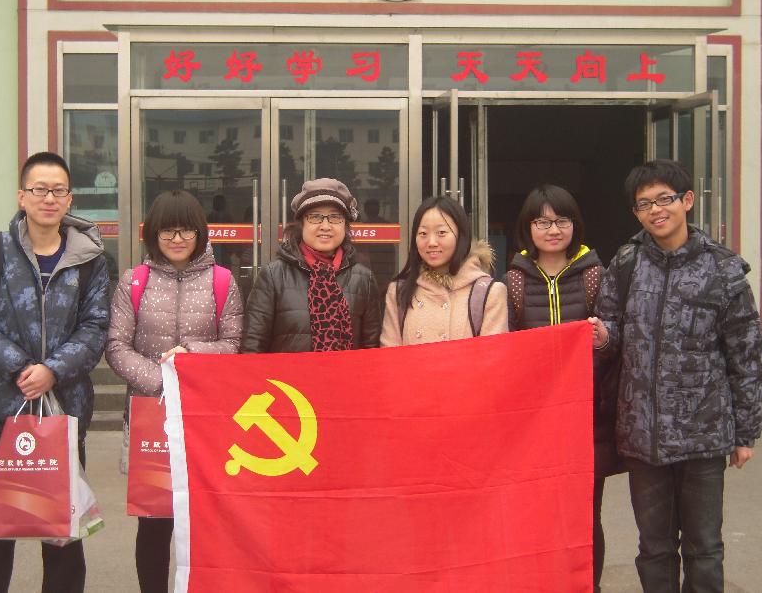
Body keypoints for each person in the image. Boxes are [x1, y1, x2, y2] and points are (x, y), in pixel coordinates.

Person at [590, 159, 762, 592]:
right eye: (644, 203)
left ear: (687, 201)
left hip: (703, 435)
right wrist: (602, 336)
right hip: (642, 435)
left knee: (705, 548)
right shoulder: (627, 263)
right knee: (654, 548)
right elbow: (612, 330)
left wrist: (745, 433)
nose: (655, 210)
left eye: (664, 199)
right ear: (636, 212)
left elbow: (746, 354)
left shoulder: (723, 269)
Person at [0, 151, 110, 593]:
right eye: (40, 189)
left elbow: (96, 327)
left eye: (58, 190)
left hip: (63, 417)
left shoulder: (90, 260)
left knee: (63, 534)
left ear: (70, 198)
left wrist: (53, 370)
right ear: (22, 196)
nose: (49, 198)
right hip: (0, 416)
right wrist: (19, 366)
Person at [106, 189, 243, 593]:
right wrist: (163, 382)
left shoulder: (223, 281)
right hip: (151, 415)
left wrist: (192, 356)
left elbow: (234, 343)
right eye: (167, 230)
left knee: (205, 518)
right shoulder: (134, 281)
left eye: (186, 230)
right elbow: (116, 346)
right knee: (154, 520)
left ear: (200, 233)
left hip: (205, 417)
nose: (177, 239)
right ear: (153, 234)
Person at [502, 184, 616, 593]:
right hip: (533, 423)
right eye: (542, 222)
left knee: (586, 514)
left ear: (575, 225)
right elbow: (506, 349)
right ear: (527, 227)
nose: (553, 230)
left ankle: (588, 586)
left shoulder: (596, 275)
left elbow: (614, 342)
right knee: (537, 513)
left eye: (561, 221)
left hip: (586, 419)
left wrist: (603, 340)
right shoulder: (513, 280)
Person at [242, 177, 381, 353]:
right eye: (315, 217)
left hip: (346, 372)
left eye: (335, 217)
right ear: (301, 224)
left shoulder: (363, 279)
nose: (325, 226)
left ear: (345, 225)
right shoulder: (273, 275)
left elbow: (371, 351)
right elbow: (252, 347)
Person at [380, 195, 507, 346]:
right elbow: (390, 355)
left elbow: (493, 356)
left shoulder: (489, 293)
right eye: (423, 234)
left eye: (441, 233)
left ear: (461, 235)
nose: (432, 242)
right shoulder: (399, 291)